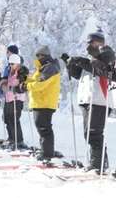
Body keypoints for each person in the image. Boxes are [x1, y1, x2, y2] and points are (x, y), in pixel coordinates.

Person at [65, 29, 115, 172]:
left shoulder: (107, 54)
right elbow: (81, 74)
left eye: (93, 42)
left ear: (100, 42)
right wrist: (71, 66)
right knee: (88, 133)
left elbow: (101, 68)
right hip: (87, 99)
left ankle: (97, 165)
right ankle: (99, 163)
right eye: (89, 42)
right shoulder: (91, 58)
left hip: (100, 99)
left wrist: (81, 61)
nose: (90, 45)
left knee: (94, 132)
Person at [26, 46, 61, 161]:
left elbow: (40, 84)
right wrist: (25, 79)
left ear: (45, 55)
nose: (38, 57)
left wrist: (26, 85)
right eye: (37, 56)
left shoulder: (50, 68)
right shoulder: (43, 68)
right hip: (40, 102)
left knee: (44, 128)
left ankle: (47, 153)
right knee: (41, 127)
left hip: (45, 102)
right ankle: (45, 151)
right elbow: (35, 81)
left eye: (39, 55)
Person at [0, 54, 29, 149]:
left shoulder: (22, 70)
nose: (10, 66)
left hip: (17, 98)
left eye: (12, 64)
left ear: (17, 63)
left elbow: (23, 85)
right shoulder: (10, 71)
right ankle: (12, 138)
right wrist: (4, 85)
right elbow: (7, 82)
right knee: (7, 118)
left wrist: (15, 88)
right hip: (9, 98)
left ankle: (19, 140)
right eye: (9, 64)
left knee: (14, 119)